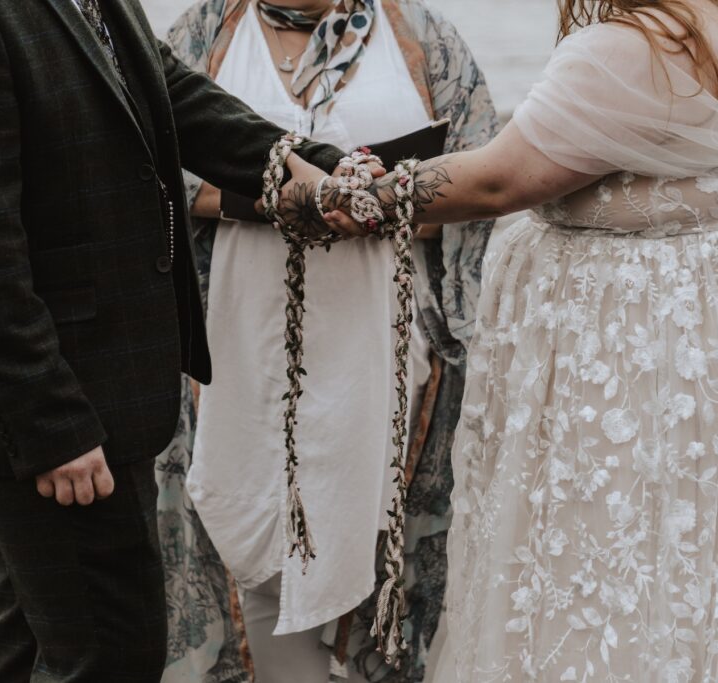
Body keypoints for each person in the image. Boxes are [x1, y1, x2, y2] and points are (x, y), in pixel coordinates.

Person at [310, 0, 718, 679]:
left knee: (590, 577)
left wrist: (358, 194)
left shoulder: (630, 46)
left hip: (619, 374)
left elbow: (497, 179)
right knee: (662, 580)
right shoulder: (716, 21)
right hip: (681, 359)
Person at [0, 0, 357, 680]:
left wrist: (298, 161)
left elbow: (164, 88)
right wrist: (51, 421)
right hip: (53, 398)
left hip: (103, 376)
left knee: (38, 639)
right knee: (112, 652)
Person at [156, 1, 497, 681]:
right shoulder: (201, 37)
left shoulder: (426, 42)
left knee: (367, 524)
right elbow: (144, 165)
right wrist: (272, 199)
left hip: (380, 345)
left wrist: (373, 209)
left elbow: (482, 178)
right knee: (249, 525)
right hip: (236, 334)